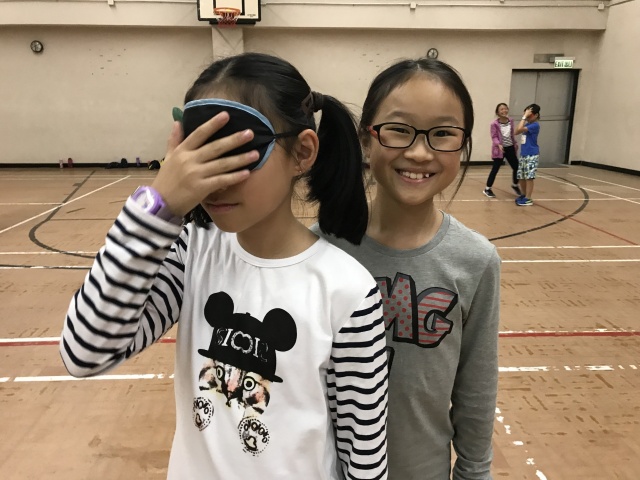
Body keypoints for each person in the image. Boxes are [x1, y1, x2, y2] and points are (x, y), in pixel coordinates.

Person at [59, 52, 388, 480]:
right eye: (200, 153)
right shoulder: (192, 252)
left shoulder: (346, 290)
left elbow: (363, 455)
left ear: (302, 152)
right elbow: (85, 352)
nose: (214, 179)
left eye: (238, 151)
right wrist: (157, 208)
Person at [313, 58, 500, 479]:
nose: (419, 152)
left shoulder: (476, 260)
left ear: (463, 145)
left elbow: (475, 389)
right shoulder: (318, 248)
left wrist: (474, 472)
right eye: (399, 129)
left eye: (443, 133)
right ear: (366, 140)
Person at [483, 103, 521, 198]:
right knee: (495, 169)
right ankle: (487, 189)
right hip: (500, 149)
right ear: (498, 112)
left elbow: (512, 134)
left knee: (516, 167)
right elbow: (494, 136)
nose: (504, 111)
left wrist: (515, 143)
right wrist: (498, 144)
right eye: (501, 109)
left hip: (510, 147)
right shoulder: (494, 124)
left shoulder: (511, 121)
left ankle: (515, 185)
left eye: (505, 108)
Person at [514, 103, 541, 206]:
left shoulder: (535, 125)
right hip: (524, 154)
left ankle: (528, 198)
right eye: (526, 115)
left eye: (530, 115)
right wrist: (524, 118)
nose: (528, 118)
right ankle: (524, 194)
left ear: (536, 115)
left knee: (529, 177)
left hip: (532, 154)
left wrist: (524, 117)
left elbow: (520, 129)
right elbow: (516, 131)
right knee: (521, 176)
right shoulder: (527, 125)